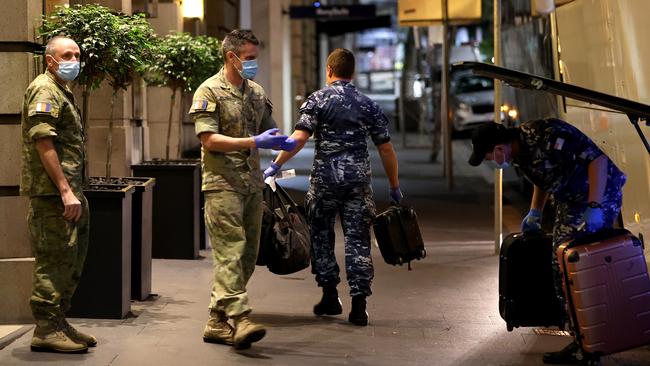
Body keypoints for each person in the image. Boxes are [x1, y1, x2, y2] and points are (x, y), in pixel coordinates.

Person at [468, 119, 626, 364]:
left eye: (488, 155)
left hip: (600, 192)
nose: (491, 161)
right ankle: (579, 340)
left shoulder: (547, 135)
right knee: (560, 264)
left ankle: (594, 347)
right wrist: (535, 212)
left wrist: (595, 206)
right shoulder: (518, 153)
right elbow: (543, 179)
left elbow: (598, 160)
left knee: (583, 265)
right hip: (570, 199)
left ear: (499, 148)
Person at [263, 48, 402, 327]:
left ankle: (330, 295)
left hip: (325, 181)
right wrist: (394, 186)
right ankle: (359, 305)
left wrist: (275, 166)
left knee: (321, 237)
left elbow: (299, 138)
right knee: (358, 241)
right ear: (353, 73)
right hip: (357, 184)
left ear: (329, 70)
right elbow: (386, 148)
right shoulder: (367, 105)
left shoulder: (318, 99)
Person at [188, 29, 296, 349]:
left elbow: (271, 131)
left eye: (255, 59)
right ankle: (241, 318)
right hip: (221, 185)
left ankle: (216, 321)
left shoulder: (257, 93)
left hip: (251, 185)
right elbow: (208, 140)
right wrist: (253, 142)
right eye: (248, 59)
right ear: (230, 56)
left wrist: (284, 142)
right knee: (230, 251)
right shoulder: (208, 91)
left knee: (247, 255)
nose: (253, 65)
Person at [21, 36, 95, 353]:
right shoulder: (44, 89)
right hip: (51, 195)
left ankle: (59, 321)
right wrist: (65, 191)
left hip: (70, 191)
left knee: (71, 259)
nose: (74, 60)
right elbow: (44, 143)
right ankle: (45, 328)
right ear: (50, 59)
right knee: (53, 261)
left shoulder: (62, 90)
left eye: (77, 55)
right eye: (67, 55)